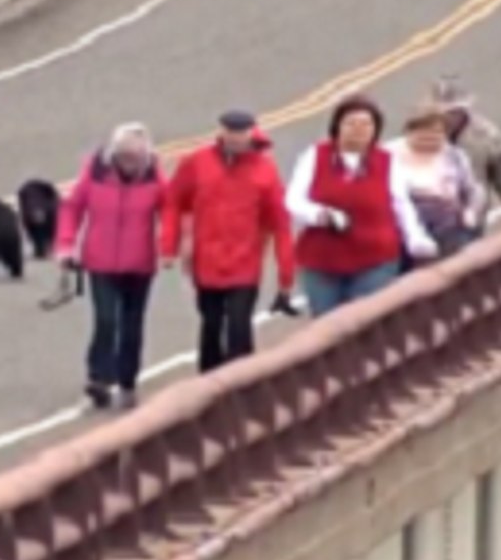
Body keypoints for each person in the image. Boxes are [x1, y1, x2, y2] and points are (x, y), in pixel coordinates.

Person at [160, 109, 298, 374]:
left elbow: (280, 225)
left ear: (250, 133)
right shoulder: (197, 162)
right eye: (230, 132)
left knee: (239, 328)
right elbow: (174, 201)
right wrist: (169, 245)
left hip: (245, 265)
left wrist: (286, 277)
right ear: (221, 131)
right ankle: (208, 384)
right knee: (210, 326)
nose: (235, 138)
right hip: (206, 263)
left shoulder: (265, 171)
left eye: (241, 132)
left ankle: (243, 383)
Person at [286, 94, 439, 317]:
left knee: (364, 319)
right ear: (337, 126)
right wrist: (320, 214)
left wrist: (415, 237)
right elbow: (293, 200)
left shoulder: (387, 161)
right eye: (351, 124)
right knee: (327, 322)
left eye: (366, 124)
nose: (358, 130)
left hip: (375, 258)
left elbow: (401, 205)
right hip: (322, 259)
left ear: (376, 129)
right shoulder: (315, 156)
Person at [55, 122, 166, 410]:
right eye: (124, 157)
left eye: (136, 158)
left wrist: (170, 246)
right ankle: (99, 377)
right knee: (106, 320)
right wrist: (66, 245)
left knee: (132, 326)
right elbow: (72, 208)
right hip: (100, 261)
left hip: (139, 264)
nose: (130, 164)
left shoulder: (154, 176)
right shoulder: (95, 173)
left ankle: (127, 381)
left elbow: (170, 211)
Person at [385, 103, 487, 267]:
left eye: (436, 133)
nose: (429, 138)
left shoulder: (455, 156)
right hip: (403, 232)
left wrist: (470, 213)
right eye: (423, 133)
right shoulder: (388, 155)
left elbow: (474, 190)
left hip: (449, 229)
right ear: (409, 131)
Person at [428, 74, 501, 232]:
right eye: (444, 113)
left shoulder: (484, 134)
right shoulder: (425, 133)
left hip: (472, 211)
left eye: (454, 112)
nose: (449, 118)